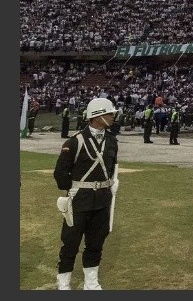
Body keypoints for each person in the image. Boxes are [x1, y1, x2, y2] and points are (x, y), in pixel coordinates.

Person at [53, 97, 120, 290]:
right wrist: (74, 189)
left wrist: (111, 184)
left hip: (102, 200)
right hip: (79, 200)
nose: (112, 116)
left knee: (96, 242)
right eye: (109, 113)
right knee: (70, 243)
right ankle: (63, 282)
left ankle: (91, 282)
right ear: (97, 116)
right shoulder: (75, 142)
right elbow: (60, 173)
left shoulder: (112, 141)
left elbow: (112, 166)